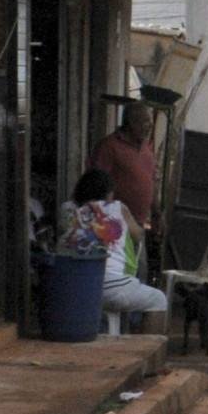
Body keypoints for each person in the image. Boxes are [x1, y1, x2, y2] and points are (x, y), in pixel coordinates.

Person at [71, 169, 170, 335]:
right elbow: (138, 235)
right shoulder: (118, 207)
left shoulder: (71, 210)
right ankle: (148, 354)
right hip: (112, 287)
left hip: (78, 287)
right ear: (108, 193)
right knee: (158, 299)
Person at [88, 98, 159, 233]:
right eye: (146, 122)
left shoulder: (146, 148)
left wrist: (156, 213)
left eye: (150, 123)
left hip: (138, 224)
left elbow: (152, 181)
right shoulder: (109, 146)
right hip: (113, 224)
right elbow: (96, 185)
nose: (150, 127)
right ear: (131, 123)